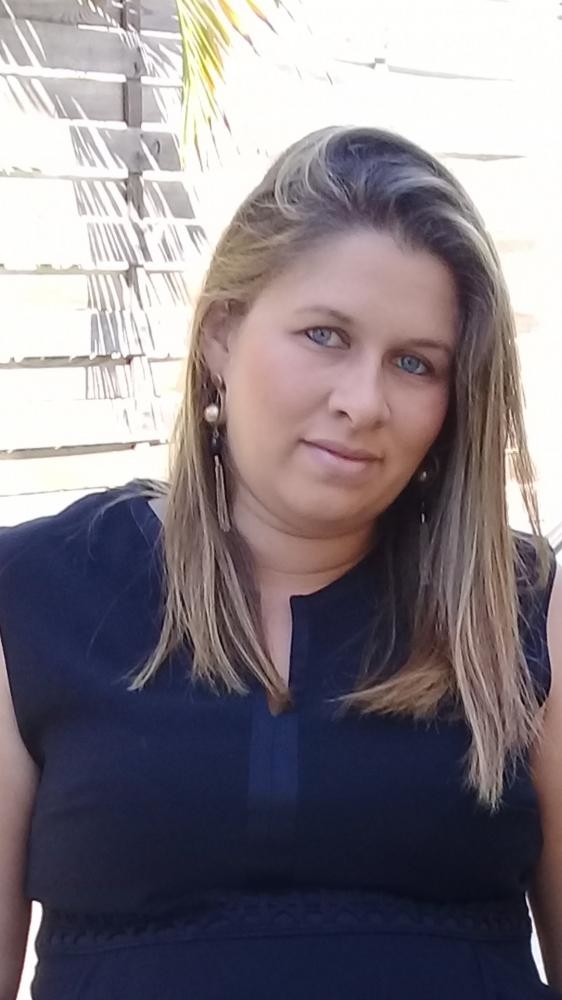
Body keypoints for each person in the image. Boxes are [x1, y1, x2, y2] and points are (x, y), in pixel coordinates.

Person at [0, 125, 561, 1000]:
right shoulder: (34, 596)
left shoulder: (528, 612)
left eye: (415, 363)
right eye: (325, 335)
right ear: (222, 334)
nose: (363, 402)